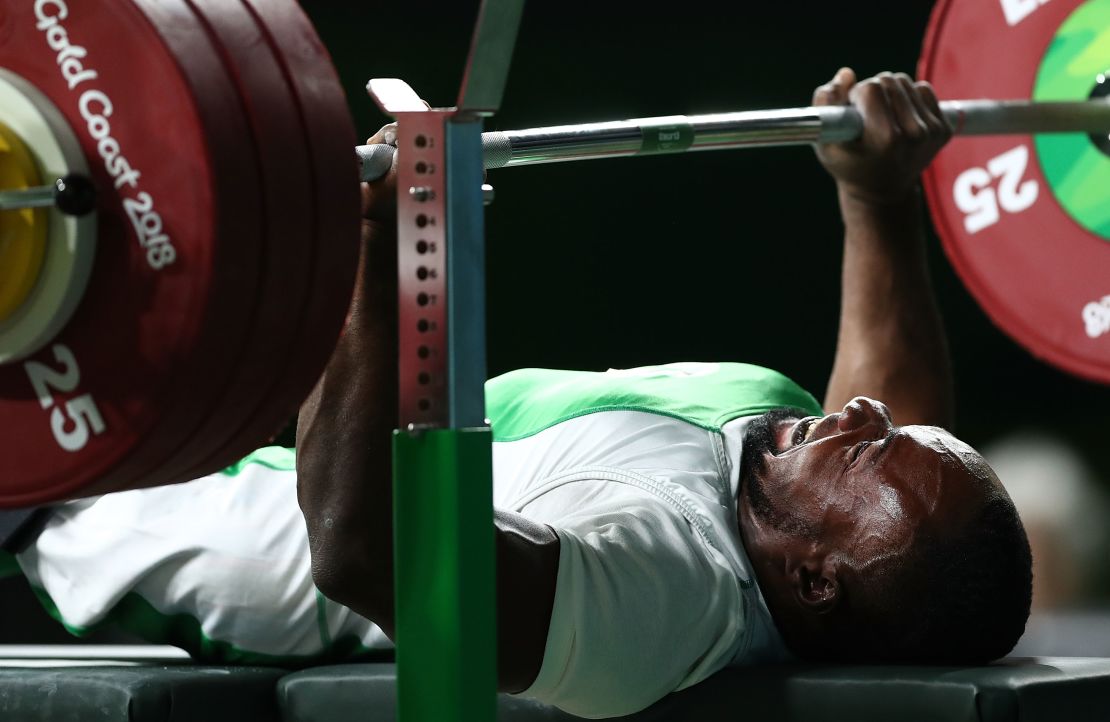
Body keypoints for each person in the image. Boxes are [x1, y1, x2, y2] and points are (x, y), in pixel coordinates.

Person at [3, 69, 1031, 719]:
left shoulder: (669, 585)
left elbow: (370, 549)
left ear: (810, 581)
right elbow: (894, 415)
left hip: (110, 505)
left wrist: (368, 240)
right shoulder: (795, 477)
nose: (856, 415)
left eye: (863, 449)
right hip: (216, 415)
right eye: (882, 428)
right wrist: (878, 199)